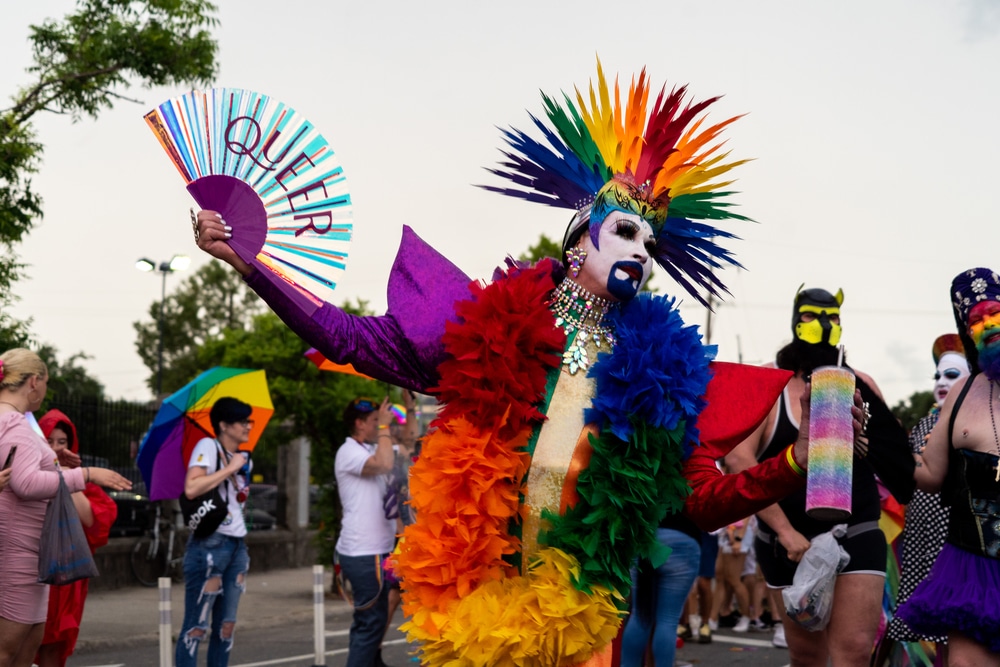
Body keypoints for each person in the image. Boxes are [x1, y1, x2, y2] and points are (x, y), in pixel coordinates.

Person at [192, 62, 860, 666]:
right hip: (481, 597)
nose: (643, 251)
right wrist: (248, 262)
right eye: (627, 230)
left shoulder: (654, 374)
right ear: (580, 241)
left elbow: (693, 501)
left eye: (650, 242)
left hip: (579, 611)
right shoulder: (491, 329)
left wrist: (797, 461)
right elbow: (348, 337)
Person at [725, 287, 913, 667]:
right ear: (796, 319)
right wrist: (783, 531)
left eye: (834, 318)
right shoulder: (770, 383)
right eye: (813, 316)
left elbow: (897, 458)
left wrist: (865, 437)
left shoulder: (860, 384)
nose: (825, 325)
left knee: (854, 653)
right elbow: (739, 459)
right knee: (807, 656)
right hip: (788, 541)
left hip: (855, 530)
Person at [0, 349, 132, 667]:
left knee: (29, 641)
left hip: (30, 551)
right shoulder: (15, 425)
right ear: (34, 382)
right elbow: (26, 484)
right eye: (44, 382)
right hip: (19, 551)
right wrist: (85, 475)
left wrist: (55, 463)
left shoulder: (15, 424)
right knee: (10, 647)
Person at [897, 267, 1000, 665]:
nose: (988, 325)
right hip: (972, 566)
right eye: (976, 320)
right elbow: (929, 475)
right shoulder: (962, 392)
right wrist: (880, 439)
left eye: (994, 312)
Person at [878, 334, 969, 666]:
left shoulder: (968, 423)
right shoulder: (925, 423)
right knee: (917, 619)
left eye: (952, 375)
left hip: (956, 541)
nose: (942, 383)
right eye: (938, 376)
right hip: (918, 537)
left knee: (952, 624)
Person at [34, 410, 118, 667]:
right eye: (49, 441)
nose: (56, 448)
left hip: (66, 580)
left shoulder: (80, 479)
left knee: (53, 650)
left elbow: (93, 521)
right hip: (31, 573)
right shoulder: (27, 474)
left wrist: (66, 475)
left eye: (62, 442)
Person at [175, 397, 254, 667]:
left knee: (226, 625)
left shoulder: (245, 458)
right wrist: (230, 469)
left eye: (249, 421)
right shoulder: (208, 446)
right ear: (224, 425)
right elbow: (192, 488)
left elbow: (238, 498)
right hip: (210, 543)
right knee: (196, 626)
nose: (248, 427)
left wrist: (238, 468)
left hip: (237, 545)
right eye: (243, 421)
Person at [334, 397, 396, 667]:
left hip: (376, 549)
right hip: (363, 552)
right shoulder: (348, 452)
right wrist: (384, 428)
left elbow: (405, 444)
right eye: (374, 421)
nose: (379, 426)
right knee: (370, 624)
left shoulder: (367, 448)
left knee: (373, 622)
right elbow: (384, 464)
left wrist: (410, 407)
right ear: (359, 424)